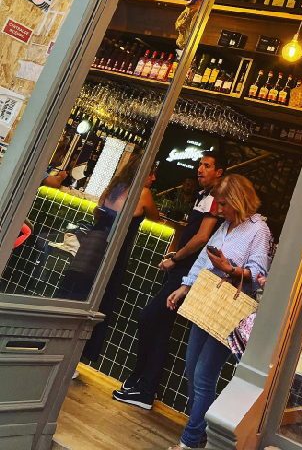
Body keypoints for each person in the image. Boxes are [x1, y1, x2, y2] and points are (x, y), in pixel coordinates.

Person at [166, 173, 272, 450]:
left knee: (204, 375)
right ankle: (201, 432)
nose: (219, 210)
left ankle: (190, 441)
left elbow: (258, 272)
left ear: (237, 200)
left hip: (228, 311)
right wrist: (184, 287)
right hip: (206, 303)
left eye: (223, 204)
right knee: (191, 370)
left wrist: (229, 269)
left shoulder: (258, 230)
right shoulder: (225, 226)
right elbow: (203, 260)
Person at [113, 152, 224, 409]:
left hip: (187, 273)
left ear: (219, 172)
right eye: (200, 165)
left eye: (207, 166)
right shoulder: (203, 197)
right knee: (160, 328)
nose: (200, 169)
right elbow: (189, 232)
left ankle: (142, 385)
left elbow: (201, 238)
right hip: (181, 270)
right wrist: (175, 253)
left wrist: (176, 259)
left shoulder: (215, 199)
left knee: (148, 319)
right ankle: (142, 387)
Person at [79, 160, 162, 365]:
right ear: (141, 173)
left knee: (82, 294)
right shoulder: (142, 193)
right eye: (151, 174)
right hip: (116, 251)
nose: (153, 178)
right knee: (102, 301)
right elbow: (155, 216)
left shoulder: (114, 187)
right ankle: (83, 355)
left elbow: (98, 209)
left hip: (94, 244)